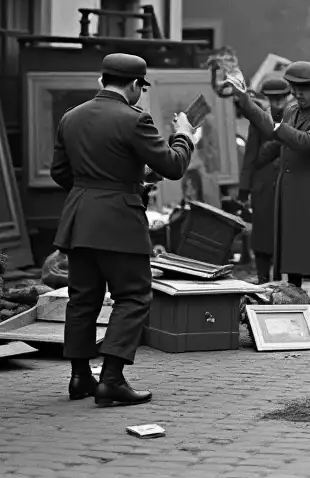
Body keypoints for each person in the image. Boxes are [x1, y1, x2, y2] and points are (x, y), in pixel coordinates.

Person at [50, 53, 200, 407]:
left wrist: (107, 184)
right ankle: (112, 379)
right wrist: (184, 136)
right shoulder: (135, 119)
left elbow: (61, 172)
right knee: (132, 297)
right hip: (119, 222)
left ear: (103, 80)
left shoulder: (71, 117)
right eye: (141, 89)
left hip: (79, 221)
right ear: (135, 85)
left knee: (82, 300)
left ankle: (79, 377)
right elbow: (174, 166)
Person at [228, 61, 310, 310]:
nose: (298, 93)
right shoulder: (292, 111)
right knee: (291, 245)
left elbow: (306, 141)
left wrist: (277, 126)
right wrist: (244, 99)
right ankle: (293, 295)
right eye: (295, 88)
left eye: (303, 89)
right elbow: (270, 130)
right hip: (288, 189)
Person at [236, 76, 291, 283]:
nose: (277, 102)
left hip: (285, 183)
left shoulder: (294, 117)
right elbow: (251, 156)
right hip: (264, 184)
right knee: (262, 233)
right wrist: (244, 189)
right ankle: (262, 277)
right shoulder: (260, 120)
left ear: (288, 97)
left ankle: (280, 279)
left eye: (281, 98)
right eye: (273, 98)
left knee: (283, 234)